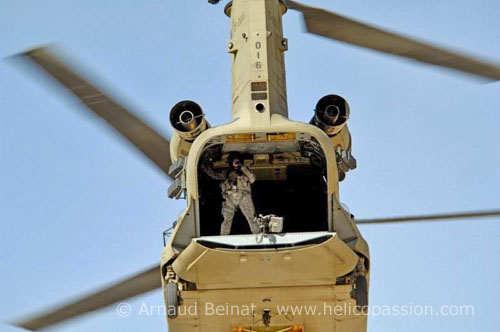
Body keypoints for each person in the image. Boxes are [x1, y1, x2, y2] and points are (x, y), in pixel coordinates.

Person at [202, 153, 260, 235]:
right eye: (234, 161)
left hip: (243, 196)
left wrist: (242, 167)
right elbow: (214, 175)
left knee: (252, 218)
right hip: (229, 198)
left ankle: (259, 236)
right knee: (226, 220)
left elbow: (252, 179)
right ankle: (223, 239)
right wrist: (206, 166)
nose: (236, 163)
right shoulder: (226, 173)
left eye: (237, 161)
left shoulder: (245, 172)